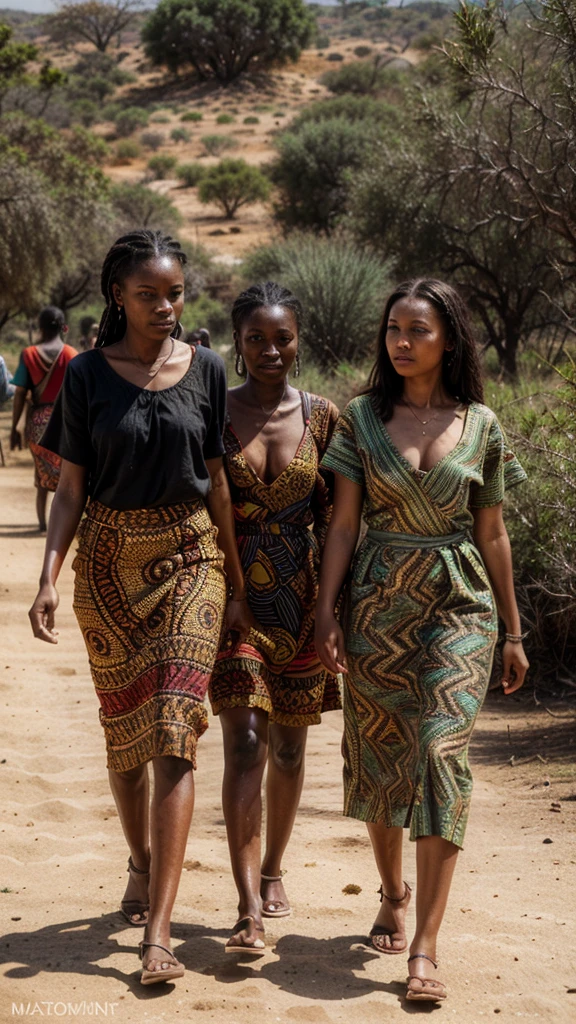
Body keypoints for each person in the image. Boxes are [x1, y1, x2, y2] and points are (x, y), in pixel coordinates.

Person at [27, 230, 253, 986]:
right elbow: (69, 490)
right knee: (126, 743)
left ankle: (158, 933)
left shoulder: (209, 369)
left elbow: (217, 478)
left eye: (176, 293)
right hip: (106, 567)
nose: (166, 306)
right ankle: (141, 858)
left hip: (192, 559)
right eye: (149, 294)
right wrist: (49, 574)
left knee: (173, 733)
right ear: (117, 297)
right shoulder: (88, 375)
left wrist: (237, 579)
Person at [315, 278, 529, 1003]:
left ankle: (427, 949)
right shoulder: (360, 419)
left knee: (438, 752)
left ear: (450, 339)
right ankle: (393, 893)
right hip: (377, 601)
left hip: (460, 601)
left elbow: (492, 531)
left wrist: (513, 629)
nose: (401, 342)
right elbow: (343, 524)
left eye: (418, 330)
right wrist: (325, 610)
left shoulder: (483, 424)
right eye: (393, 329)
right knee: (380, 759)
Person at [209, 282, 341, 954]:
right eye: (256, 338)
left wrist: (330, 613)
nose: (269, 349)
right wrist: (225, 588)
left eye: (281, 337)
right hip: (234, 606)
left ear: (299, 339)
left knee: (289, 748)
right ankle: (246, 906)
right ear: (237, 342)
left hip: (303, 601)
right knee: (246, 745)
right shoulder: (213, 411)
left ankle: (274, 869)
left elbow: (337, 521)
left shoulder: (323, 418)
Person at [10, 307, 77, 531]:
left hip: (38, 423)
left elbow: (20, 393)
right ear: (63, 327)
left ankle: (42, 524)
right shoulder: (72, 355)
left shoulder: (28, 354)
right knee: (67, 475)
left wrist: (14, 428)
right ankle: (64, 525)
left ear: (40, 327)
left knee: (41, 475)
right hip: (65, 422)